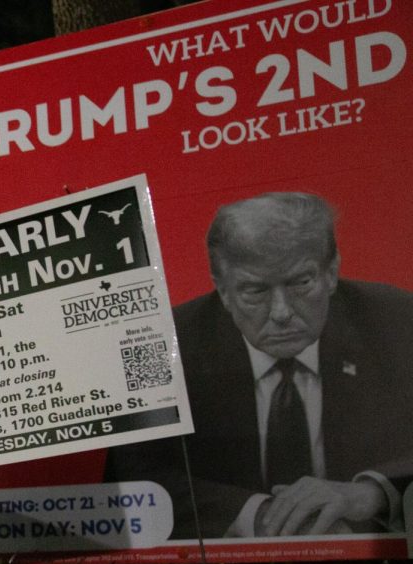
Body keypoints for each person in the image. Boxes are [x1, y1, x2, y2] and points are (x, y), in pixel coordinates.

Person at [106, 192, 413, 538]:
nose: (281, 312)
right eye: (255, 291)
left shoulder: (398, 321)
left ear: (332, 272)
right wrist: (259, 514)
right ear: (222, 291)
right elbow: (134, 471)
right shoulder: (160, 344)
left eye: (301, 282)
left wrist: (371, 492)